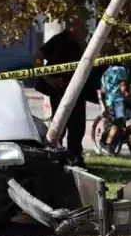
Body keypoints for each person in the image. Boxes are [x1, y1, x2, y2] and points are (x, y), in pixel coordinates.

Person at [34, 25, 94, 166]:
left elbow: (93, 58)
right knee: (59, 125)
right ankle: (55, 156)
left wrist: (81, 40)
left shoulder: (84, 41)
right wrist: (47, 78)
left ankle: (75, 157)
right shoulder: (59, 40)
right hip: (59, 91)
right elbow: (37, 57)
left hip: (78, 91)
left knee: (77, 126)